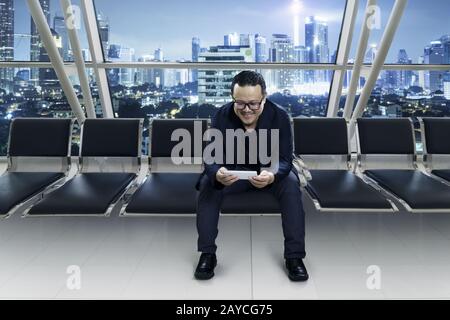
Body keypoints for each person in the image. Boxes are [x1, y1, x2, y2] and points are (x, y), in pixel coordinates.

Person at [194, 71, 308, 282]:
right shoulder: (221, 115)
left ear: (263, 98)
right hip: (233, 174)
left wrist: (272, 175)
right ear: (233, 98)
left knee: (291, 185)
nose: (247, 110)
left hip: (269, 174)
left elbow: (285, 159)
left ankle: (294, 257)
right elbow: (210, 157)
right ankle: (207, 253)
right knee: (208, 184)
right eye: (240, 103)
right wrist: (217, 173)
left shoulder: (280, 116)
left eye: (253, 104)